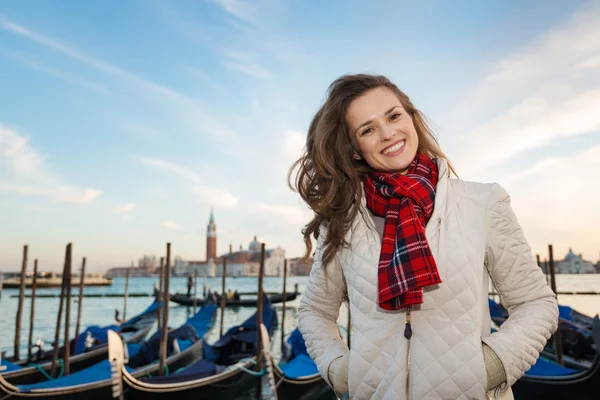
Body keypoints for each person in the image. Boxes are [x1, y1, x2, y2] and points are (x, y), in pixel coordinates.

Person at [290, 74, 558, 400]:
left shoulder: (482, 202)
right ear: (355, 149)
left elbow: (535, 304)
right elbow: (315, 312)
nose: (388, 134)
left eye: (393, 116)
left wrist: (489, 367)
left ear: (411, 118)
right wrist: (342, 371)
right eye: (368, 129)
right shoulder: (343, 223)